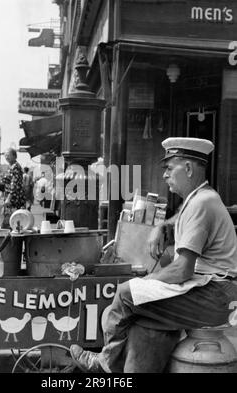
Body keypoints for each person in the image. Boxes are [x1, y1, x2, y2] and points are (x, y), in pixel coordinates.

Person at [70, 137, 237, 373]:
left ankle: (106, 363)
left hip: (215, 294)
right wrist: (162, 226)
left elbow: (183, 270)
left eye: (169, 168)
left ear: (188, 169)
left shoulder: (202, 203)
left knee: (126, 293)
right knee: (144, 323)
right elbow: (180, 218)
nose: (164, 175)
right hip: (213, 291)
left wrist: (144, 283)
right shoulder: (201, 198)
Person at [0, 148, 25, 228]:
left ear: (14, 156)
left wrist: (9, 198)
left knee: (12, 219)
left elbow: (14, 184)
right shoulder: (11, 166)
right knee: (11, 219)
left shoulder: (15, 167)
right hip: (11, 196)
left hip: (14, 197)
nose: (6, 157)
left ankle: (11, 237)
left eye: (8, 155)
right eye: (5, 155)